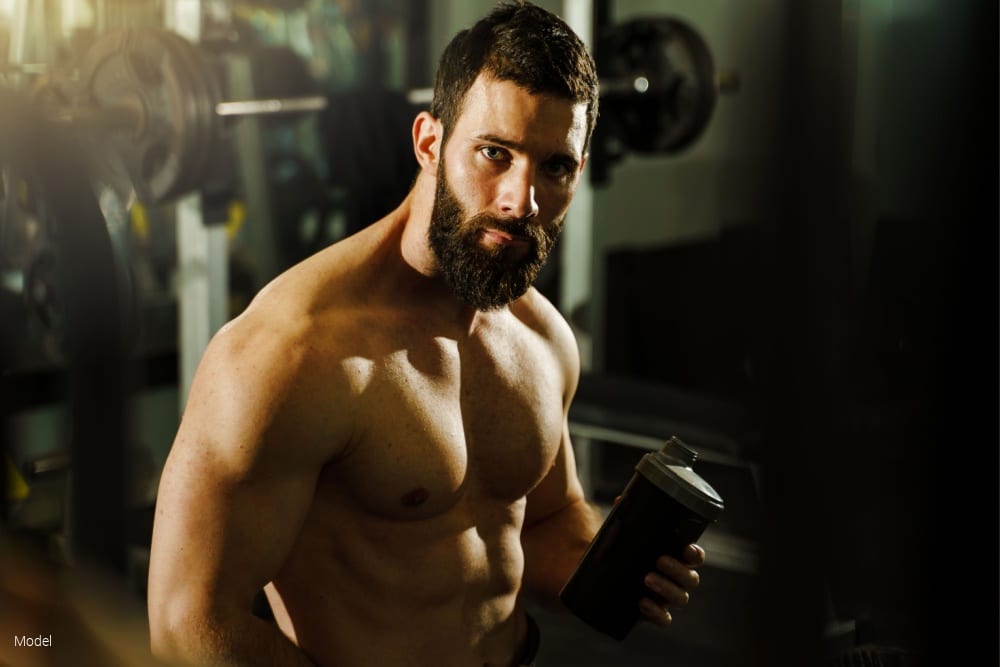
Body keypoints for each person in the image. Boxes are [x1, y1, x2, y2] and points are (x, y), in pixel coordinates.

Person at [147, 2, 706, 666]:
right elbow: (188, 625)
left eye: (553, 166)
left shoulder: (544, 339)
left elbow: (547, 522)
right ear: (429, 142)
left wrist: (620, 562)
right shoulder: (293, 351)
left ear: (578, 172)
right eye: (494, 153)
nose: (519, 200)